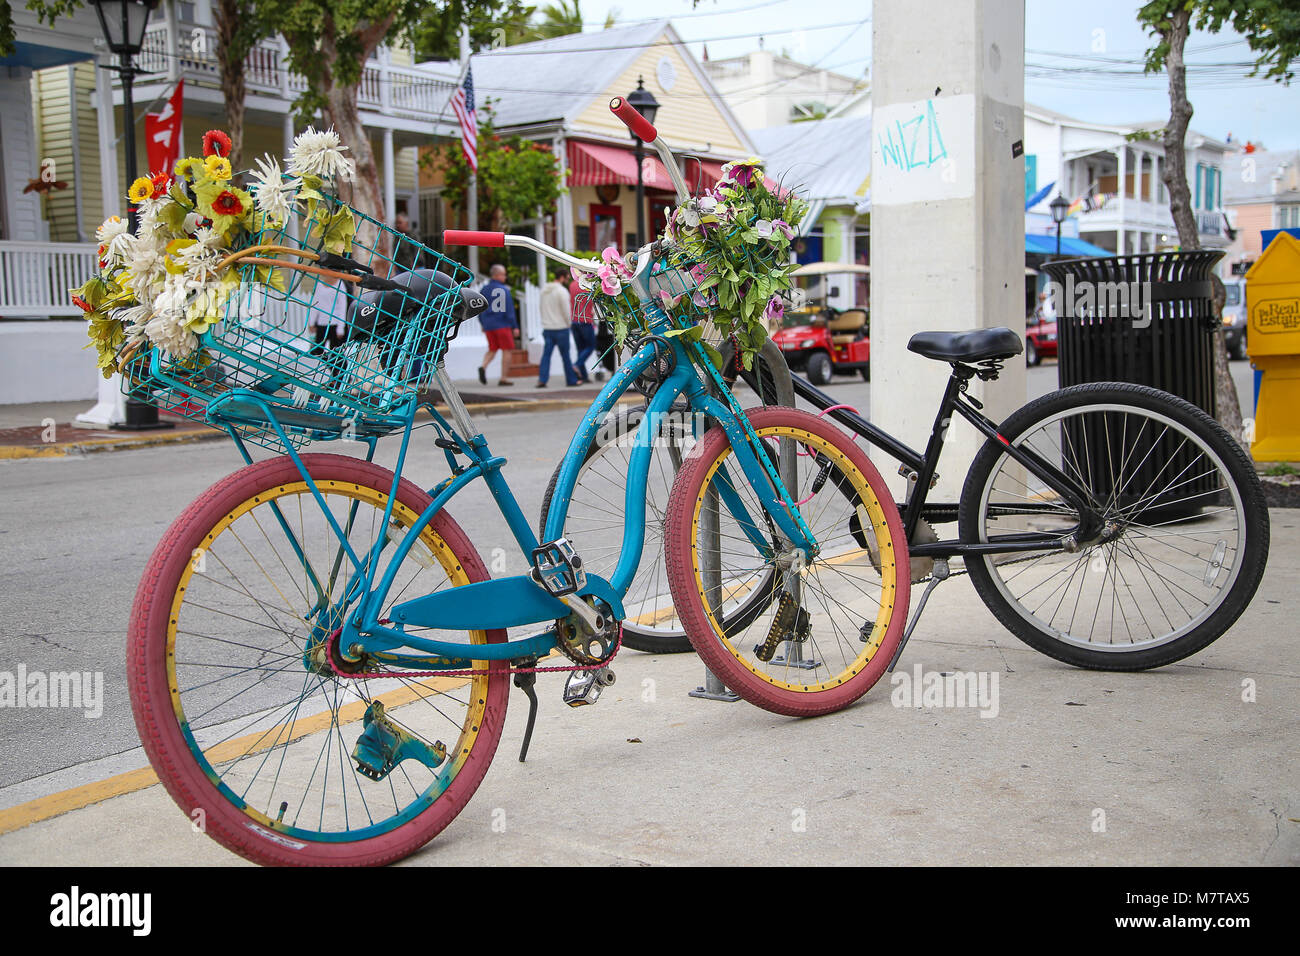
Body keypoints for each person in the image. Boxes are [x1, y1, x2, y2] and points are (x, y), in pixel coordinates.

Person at [537, 270, 579, 388]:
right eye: (566, 277)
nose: (567, 280)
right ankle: (571, 380)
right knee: (565, 356)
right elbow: (566, 311)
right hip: (561, 328)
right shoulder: (562, 291)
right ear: (561, 277)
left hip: (548, 328)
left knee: (546, 355)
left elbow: (541, 308)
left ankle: (542, 379)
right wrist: (568, 323)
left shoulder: (544, 291)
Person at [478, 263, 516, 386]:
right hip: (503, 324)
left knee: (492, 349)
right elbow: (509, 310)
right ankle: (503, 378)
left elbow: (479, 308)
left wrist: (483, 323)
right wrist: (514, 326)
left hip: (489, 324)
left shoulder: (484, 289)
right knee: (507, 350)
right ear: (497, 275)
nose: (505, 277)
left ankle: (483, 366)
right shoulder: (505, 290)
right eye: (504, 275)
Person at [569, 275, 601, 384]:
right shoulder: (587, 286)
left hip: (574, 320)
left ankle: (583, 376)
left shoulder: (572, 285)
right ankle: (577, 365)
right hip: (585, 320)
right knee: (590, 346)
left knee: (580, 349)